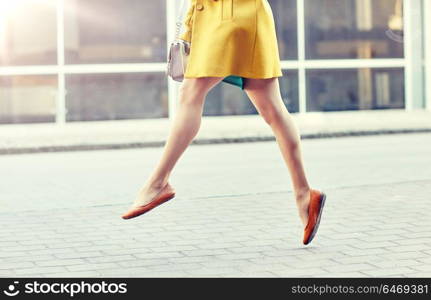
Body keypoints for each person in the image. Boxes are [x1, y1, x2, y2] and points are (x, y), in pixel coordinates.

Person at [121, 0, 326, 245]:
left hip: (229, 16)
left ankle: (157, 183)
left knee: (191, 93)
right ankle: (304, 195)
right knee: (272, 109)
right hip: (232, 16)